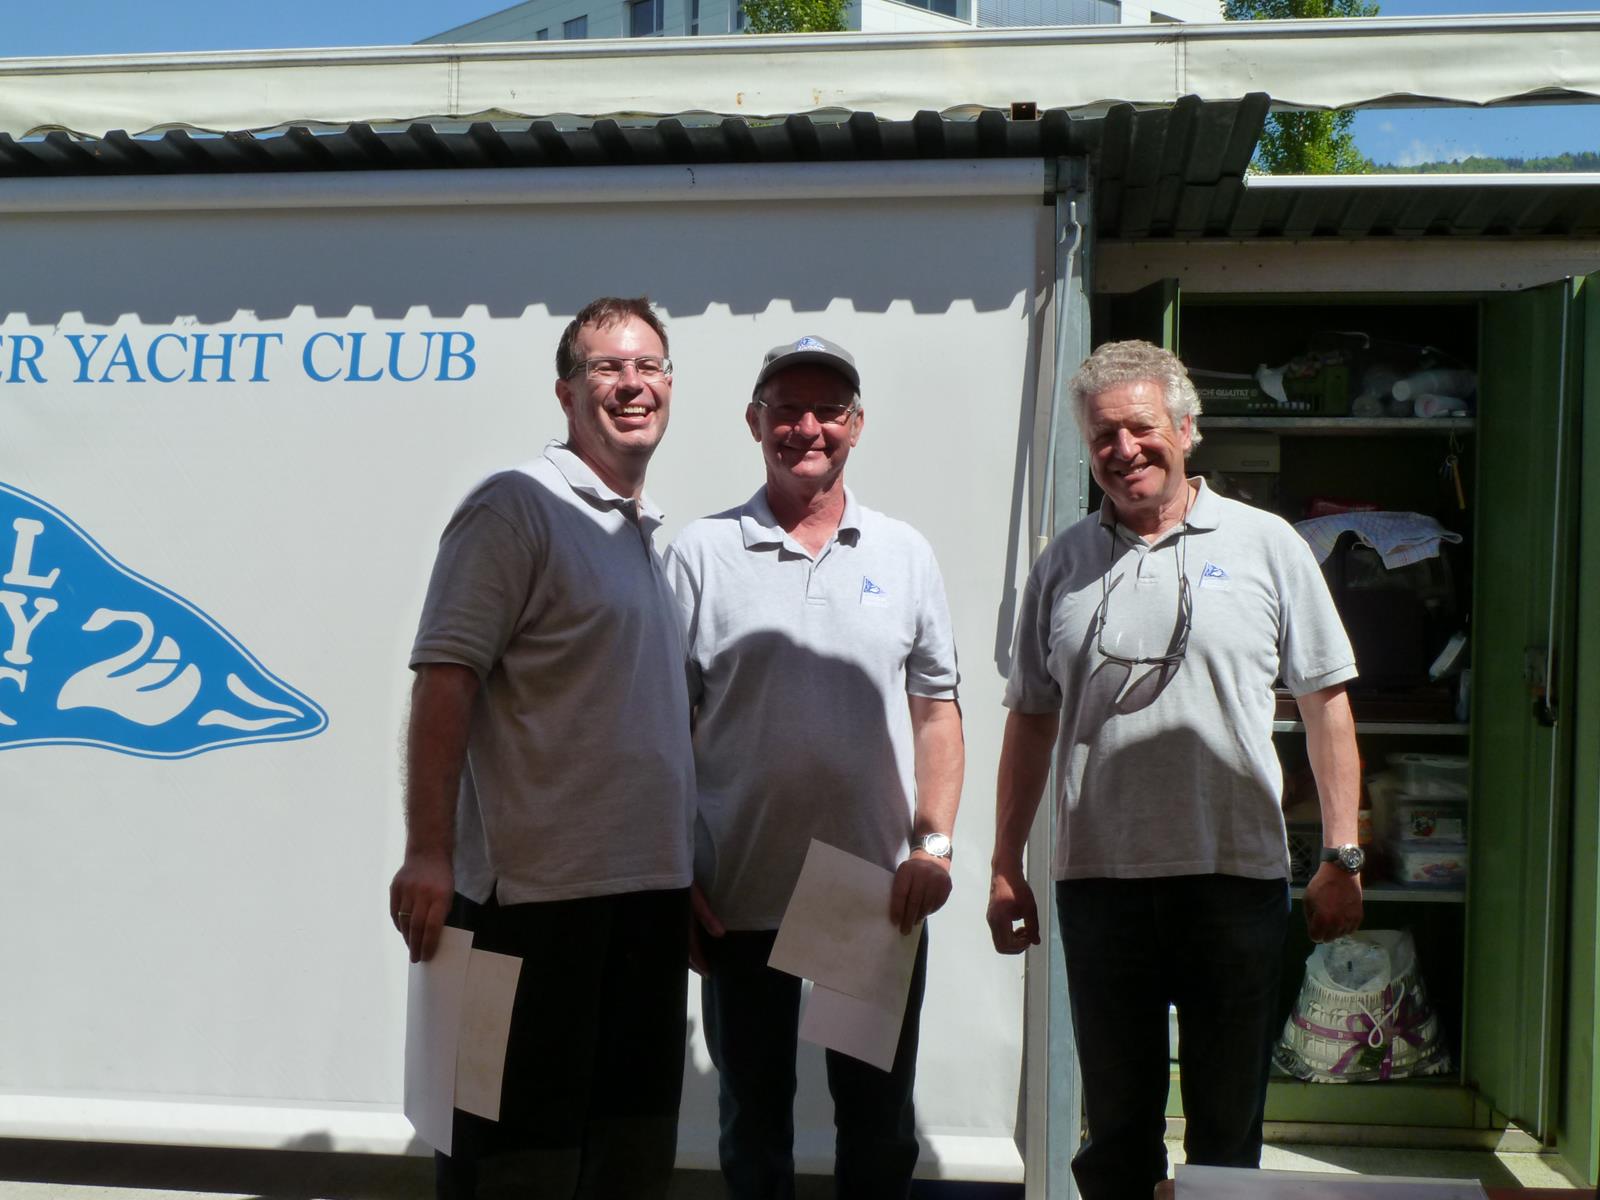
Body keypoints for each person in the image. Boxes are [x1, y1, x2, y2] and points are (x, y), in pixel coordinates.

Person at [985, 340, 1365, 1200]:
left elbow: (1325, 705)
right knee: (1117, 1132)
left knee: (1227, 1131)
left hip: (1235, 878)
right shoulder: (1063, 564)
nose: (1123, 450)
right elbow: (1031, 719)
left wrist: (1342, 855)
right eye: (1102, 437)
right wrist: (1006, 864)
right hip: (1101, 884)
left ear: (1187, 430)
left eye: (1141, 428)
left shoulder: (1268, 546)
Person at [388, 297, 696, 1200]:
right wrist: (429, 852)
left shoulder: (640, 533)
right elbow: (445, 680)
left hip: (645, 906)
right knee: (511, 1170)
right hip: (528, 908)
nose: (632, 385)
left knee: (624, 1169)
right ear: (566, 393)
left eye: (649, 366)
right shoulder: (515, 507)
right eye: (607, 367)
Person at [663, 334, 965, 1200]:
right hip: (737, 894)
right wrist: (674, 871)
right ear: (753, 421)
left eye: (828, 410)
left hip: (868, 895)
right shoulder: (699, 554)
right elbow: (661, 726)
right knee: (753, 1126)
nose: (807, 427)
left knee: (875, 1128)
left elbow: (937, 712)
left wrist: (933, 847)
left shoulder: (903, 553)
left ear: (857, 425)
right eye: (786, 409)